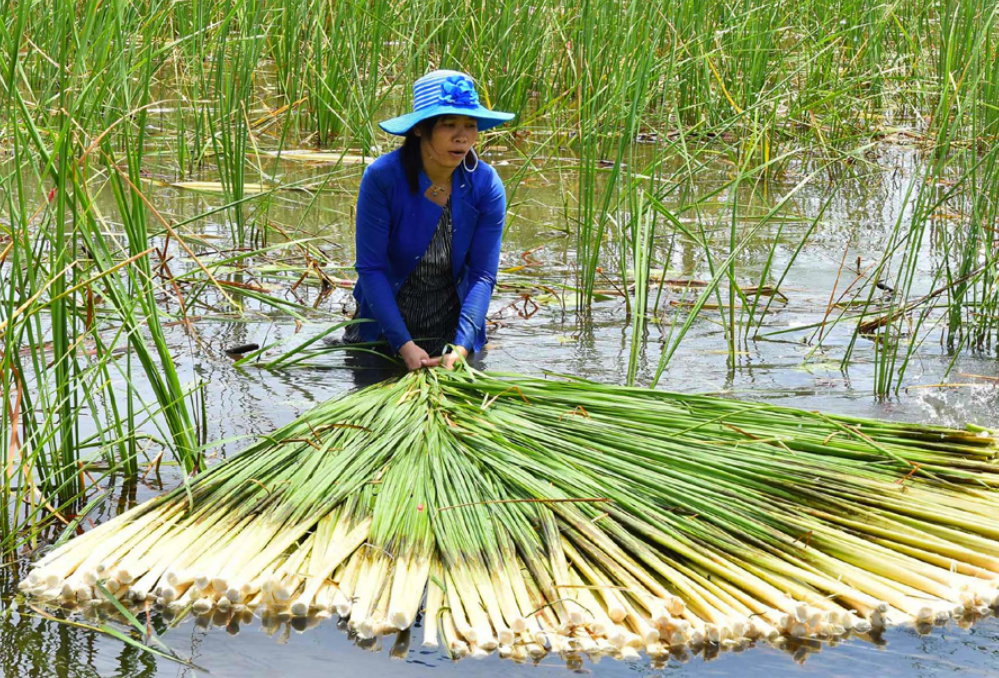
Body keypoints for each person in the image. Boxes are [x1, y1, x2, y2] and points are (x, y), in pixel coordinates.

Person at [342, 69, 515, 372]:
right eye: (449, 125)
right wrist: (403, 343)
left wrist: (461, 346)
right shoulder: (383, 179)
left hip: (452, 332)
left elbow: (482, 275)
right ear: (420, 129)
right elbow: (371, 269)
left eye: (470, 126)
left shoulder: (485, 185)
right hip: (382, 332)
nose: (462, 137)